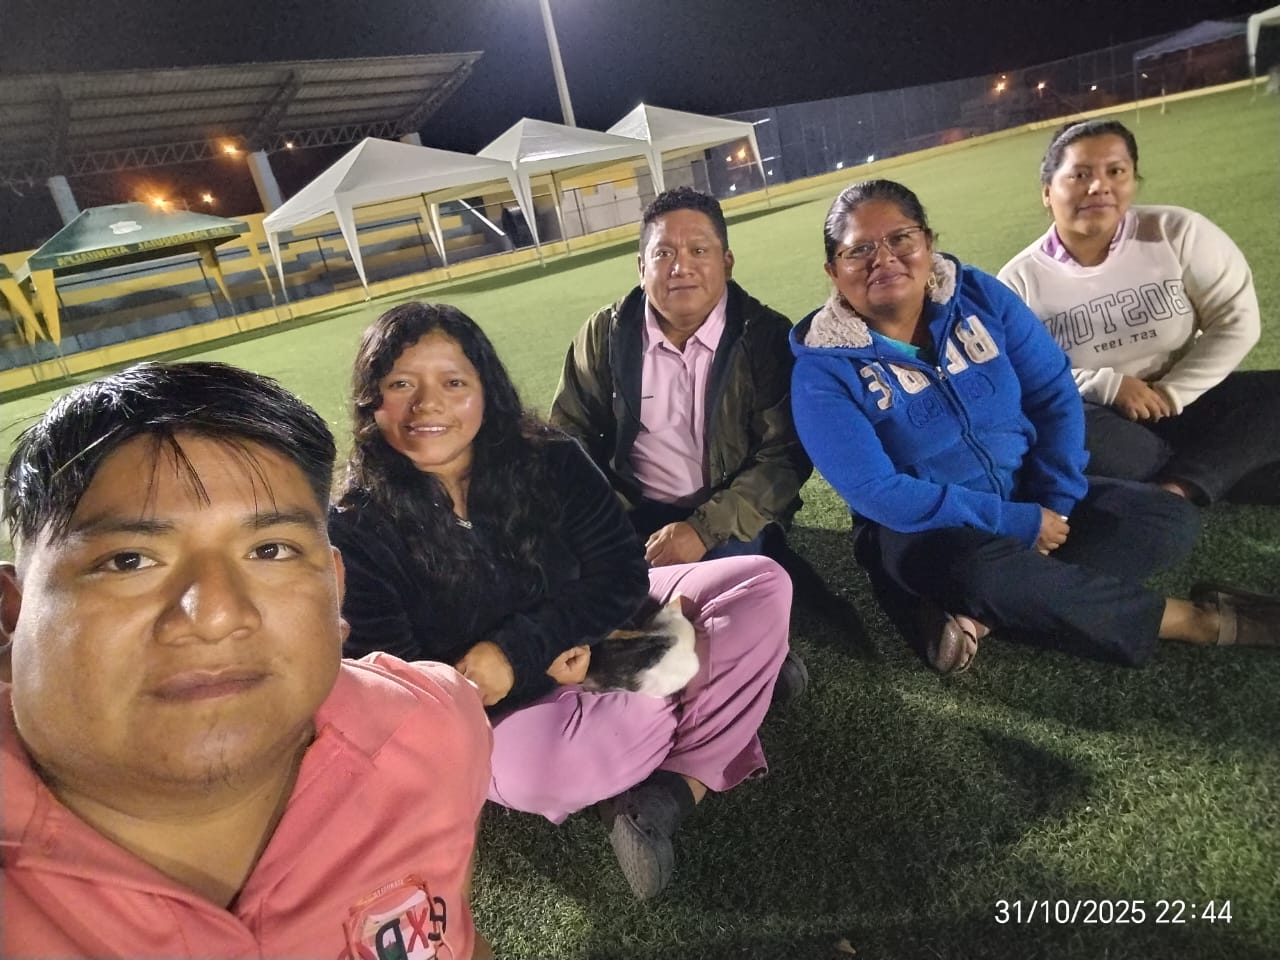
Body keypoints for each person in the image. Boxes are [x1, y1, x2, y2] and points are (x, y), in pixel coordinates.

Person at [0, 362, 493, 958]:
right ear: (12, 612)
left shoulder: (432, 727)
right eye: (129, 561)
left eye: (271, 550)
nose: (215, 614)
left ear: (336, 590)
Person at [328, 302, 792, 901]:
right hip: (511, 713)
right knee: (542, 770)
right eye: (401, 385)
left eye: (453, 382)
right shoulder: (357, 528)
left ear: (485, 390)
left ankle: (674, 786)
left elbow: (621, 574)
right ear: (372, 403)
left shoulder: (548, 457)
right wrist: (535, 668)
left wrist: (539, 645)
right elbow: (405, 693)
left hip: (598, 633)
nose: (428, 405)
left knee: (761, 584)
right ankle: (728, 682)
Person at [788, 179, 1280, 673]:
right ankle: (1200, 621)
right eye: (859, 250)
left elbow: (1052, 393)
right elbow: (876, 491)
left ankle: (978, 618)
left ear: (928, 242)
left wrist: (1054, 501)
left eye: (901, 238)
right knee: (983, 574)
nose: (883, 259)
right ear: (834, 271)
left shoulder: (978, 296)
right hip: (924, 528)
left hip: (1024, 489)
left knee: (1164, 519)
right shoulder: (821, 370)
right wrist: (1016, 523)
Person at [999, 118, 1280, 505]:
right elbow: (1021, 374)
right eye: (1080, 174)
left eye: (1116, 171)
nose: (1099, 186)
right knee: (1058, 430)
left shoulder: (1177, 231)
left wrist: (1171, 393)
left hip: (1186, 397)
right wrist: (1107, 386)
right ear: (1048, 191)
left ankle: (1175, 489)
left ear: (1133, 181)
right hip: (1100, 419)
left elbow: (1236, 322)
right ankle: (1221, 466)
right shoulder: (1018, 280)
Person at [549, 186, 812, 565]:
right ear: (641, 269)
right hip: (630, 510)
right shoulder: (604, 334)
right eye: (663, 253)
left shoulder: (763, 336)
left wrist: (702, 530)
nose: (681, 267)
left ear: (727, 263)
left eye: (699, 251)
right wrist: (603, 517)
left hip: (728, 513)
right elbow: (569, 435)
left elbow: (782, 457)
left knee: (731, 581)